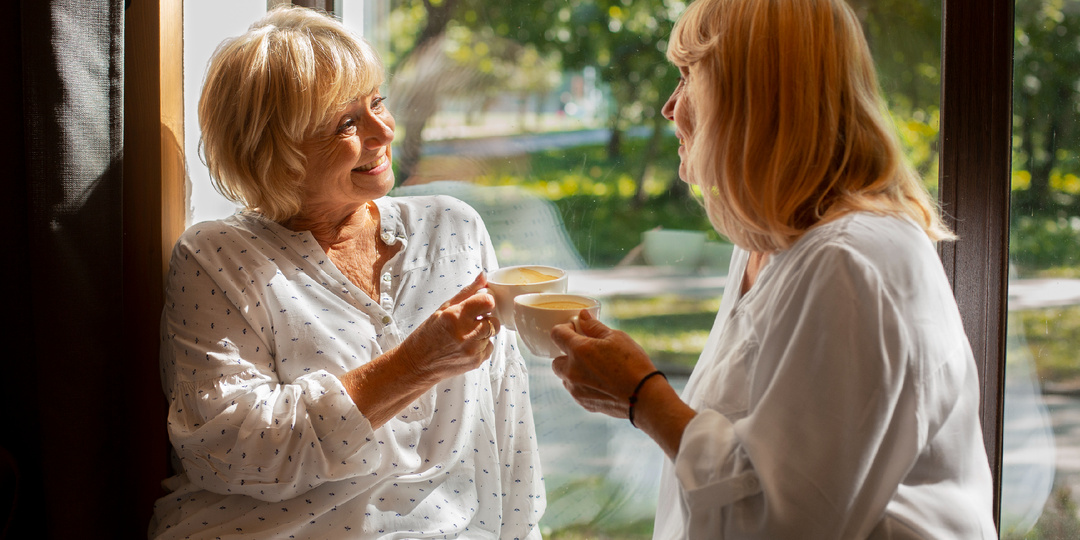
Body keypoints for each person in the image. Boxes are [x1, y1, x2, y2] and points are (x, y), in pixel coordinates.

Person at [549, 0, 997, 538]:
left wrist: (644, 398)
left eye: (689, 76)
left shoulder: (849, 264)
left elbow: (789, 522)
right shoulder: (768, 243)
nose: (670, 108)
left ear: (752, 98)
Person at [149, 6, 545, 538]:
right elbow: (228, 452)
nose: (384, 130)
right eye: (347, 122)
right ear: (275, 149)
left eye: (377, 102)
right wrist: (412, 366)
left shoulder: (455, 230)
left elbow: (507, 423)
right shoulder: (217, 257)